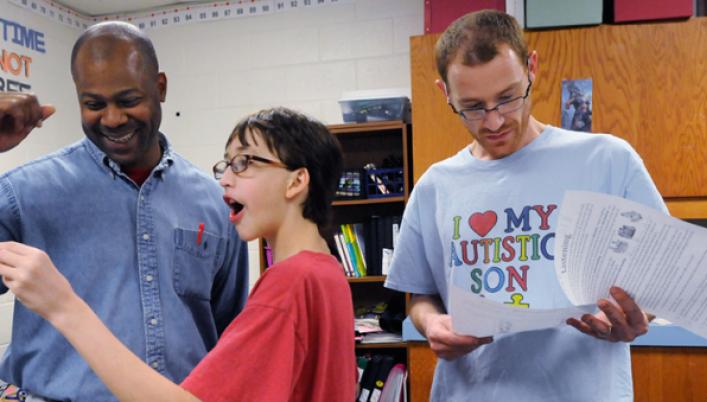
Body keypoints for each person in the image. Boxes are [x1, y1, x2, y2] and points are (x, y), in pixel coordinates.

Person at [384, 10, 666, 402]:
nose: (495, 121)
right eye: (473, 106)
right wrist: (432, 324)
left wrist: (637, 316)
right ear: (445, 93)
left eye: (508, 97)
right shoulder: (436, 186)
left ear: (531, 67)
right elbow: (420, 295)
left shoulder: (606, 160)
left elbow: (662, 272)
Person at [0, 106, 356, 402]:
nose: (226, 180)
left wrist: (64, 307)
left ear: (297, 182)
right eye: (226, 165)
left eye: (245, 163)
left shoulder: (288, 284)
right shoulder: (326, 272)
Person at [0, 22, 249, 401]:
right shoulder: (24, 193)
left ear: (160, 87)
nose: (113, 119)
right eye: (94, 104)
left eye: (128, 100)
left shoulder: (216, 203)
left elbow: (230, 336)